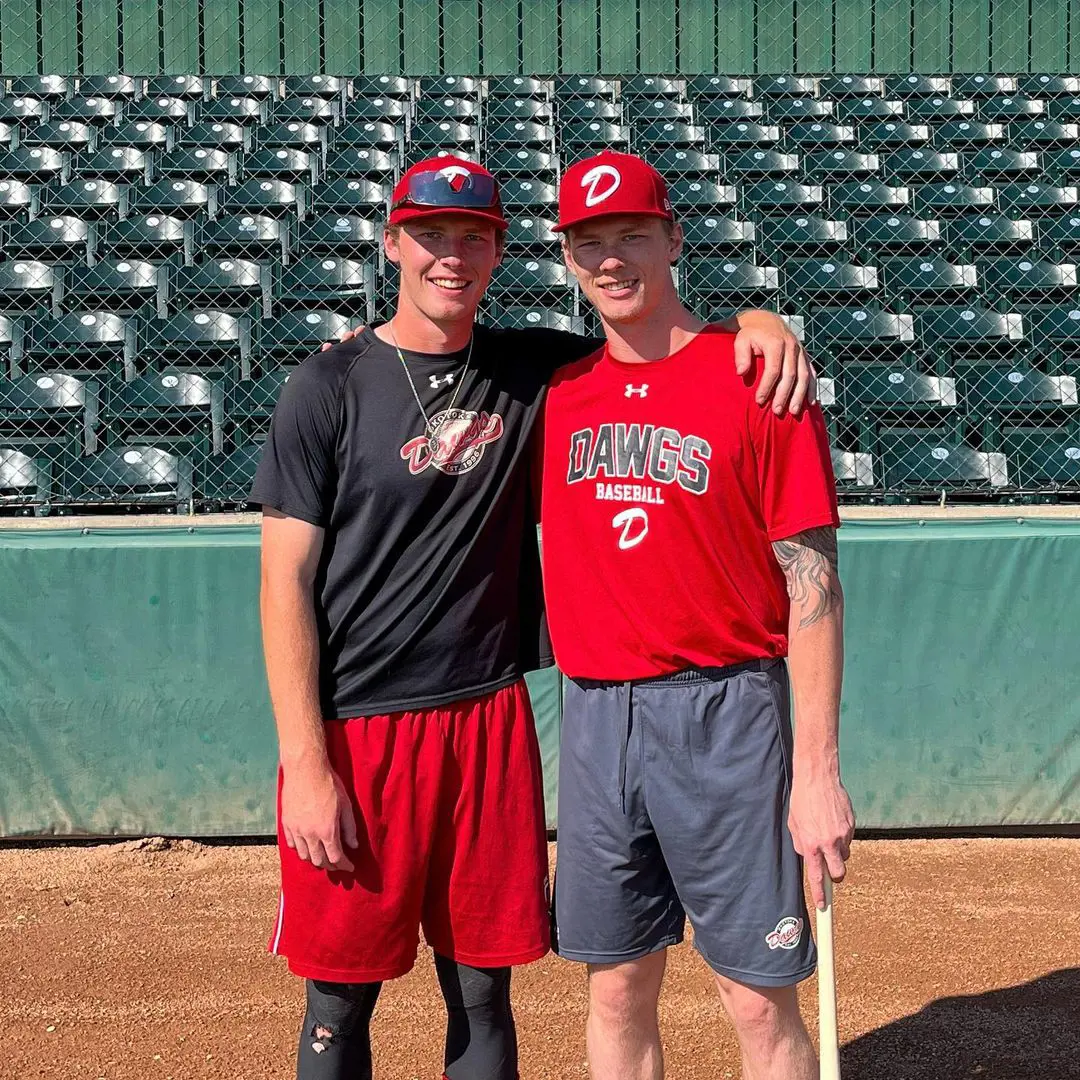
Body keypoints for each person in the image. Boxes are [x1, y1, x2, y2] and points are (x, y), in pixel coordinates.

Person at [251, 153, 816, 1080]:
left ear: (501, 251)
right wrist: (308, 765)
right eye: (430, 234)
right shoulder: (329, 386)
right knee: (338, 998)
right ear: (393, 243)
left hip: (485, 718)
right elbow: (283, 592)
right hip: (358, 731)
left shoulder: (533, 371)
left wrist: (758, 321)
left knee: (482, 991)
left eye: (473, 236)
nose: (451, 255)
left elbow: (656, 344)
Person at [537, 150, 856, 1080]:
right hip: (597, 717)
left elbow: (814, 590)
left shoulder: (761, 380)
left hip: (726, 716)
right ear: (566, 258)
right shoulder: (555, 393)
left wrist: (817, 772)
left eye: (632, 234)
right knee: (614, 988)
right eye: (588, 242)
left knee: (755, 997)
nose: (611, 258)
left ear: (675, 239)